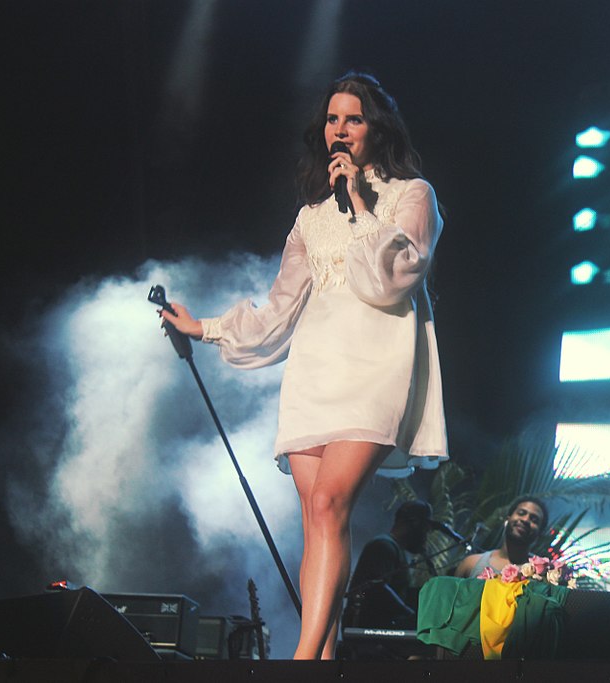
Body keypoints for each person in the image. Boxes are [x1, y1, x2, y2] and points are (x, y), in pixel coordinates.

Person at [159, 71, 448, 660]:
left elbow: (396, 278)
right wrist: (204, 327)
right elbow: (278, 311)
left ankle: (301, 657)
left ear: (377, 128)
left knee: (328, 504)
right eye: (333, 119)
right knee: (318, 520)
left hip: (375, 366)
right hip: (316, 368)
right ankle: (320, 655)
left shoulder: (410, 195)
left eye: (355, 119)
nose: (340, 130)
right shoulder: (310, 217)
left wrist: (364, 207)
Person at [343, 499, 436, 631]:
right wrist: (409, 614)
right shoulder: (383, 546)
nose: (426, 535)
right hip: (367, 634)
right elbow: (378, 587)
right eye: (425, 529)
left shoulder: (395, 548)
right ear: (414, 523)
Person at [453, 496, 548, 578]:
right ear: (507, 519)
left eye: (534, 519)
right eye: (521, 513)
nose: (525, 520)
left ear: (539, 533)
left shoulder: (541, 575)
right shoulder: (471, 563)